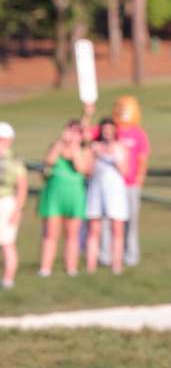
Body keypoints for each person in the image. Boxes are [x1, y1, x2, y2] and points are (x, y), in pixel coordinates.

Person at [84, 96, 150, 267]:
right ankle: (105, 256)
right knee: (105, 223)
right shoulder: (107, 130)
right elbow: (85, 134)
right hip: (107, 186)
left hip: (130, 184)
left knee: (130, 222)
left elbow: (143, 157)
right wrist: (88, 113)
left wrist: (139, 179)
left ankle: (130, 256)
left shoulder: (138, 133)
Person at [37, 120, 90, 276]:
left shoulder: (84, 150)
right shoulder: (56, 146)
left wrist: (74, 149)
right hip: (54, 195)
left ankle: (71, 268)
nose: (73, 135)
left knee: (72, 234)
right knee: (50, 233)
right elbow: (49, 162)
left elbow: (82, 168)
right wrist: (60, 144)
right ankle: (45, 268)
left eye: (77, 132)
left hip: (74, 195)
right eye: (70, 131)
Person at [84, 118, 130, 274]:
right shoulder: (94, 147)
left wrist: (113, 155)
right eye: (104, 129)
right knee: (93, 229)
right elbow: (88, 172)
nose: (107, 133)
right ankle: (91, 266)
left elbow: (125, 172)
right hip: (96, 189)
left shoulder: (120, 148)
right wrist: (96, 154)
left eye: (110, 130)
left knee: (116, 229)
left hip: (115, 191)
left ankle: (116, 264)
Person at [0, 122, 27, 289]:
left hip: (7, 203)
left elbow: (22, 186)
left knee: (7, 242)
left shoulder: (14, 160)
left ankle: (8, 279)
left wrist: (18, 209)